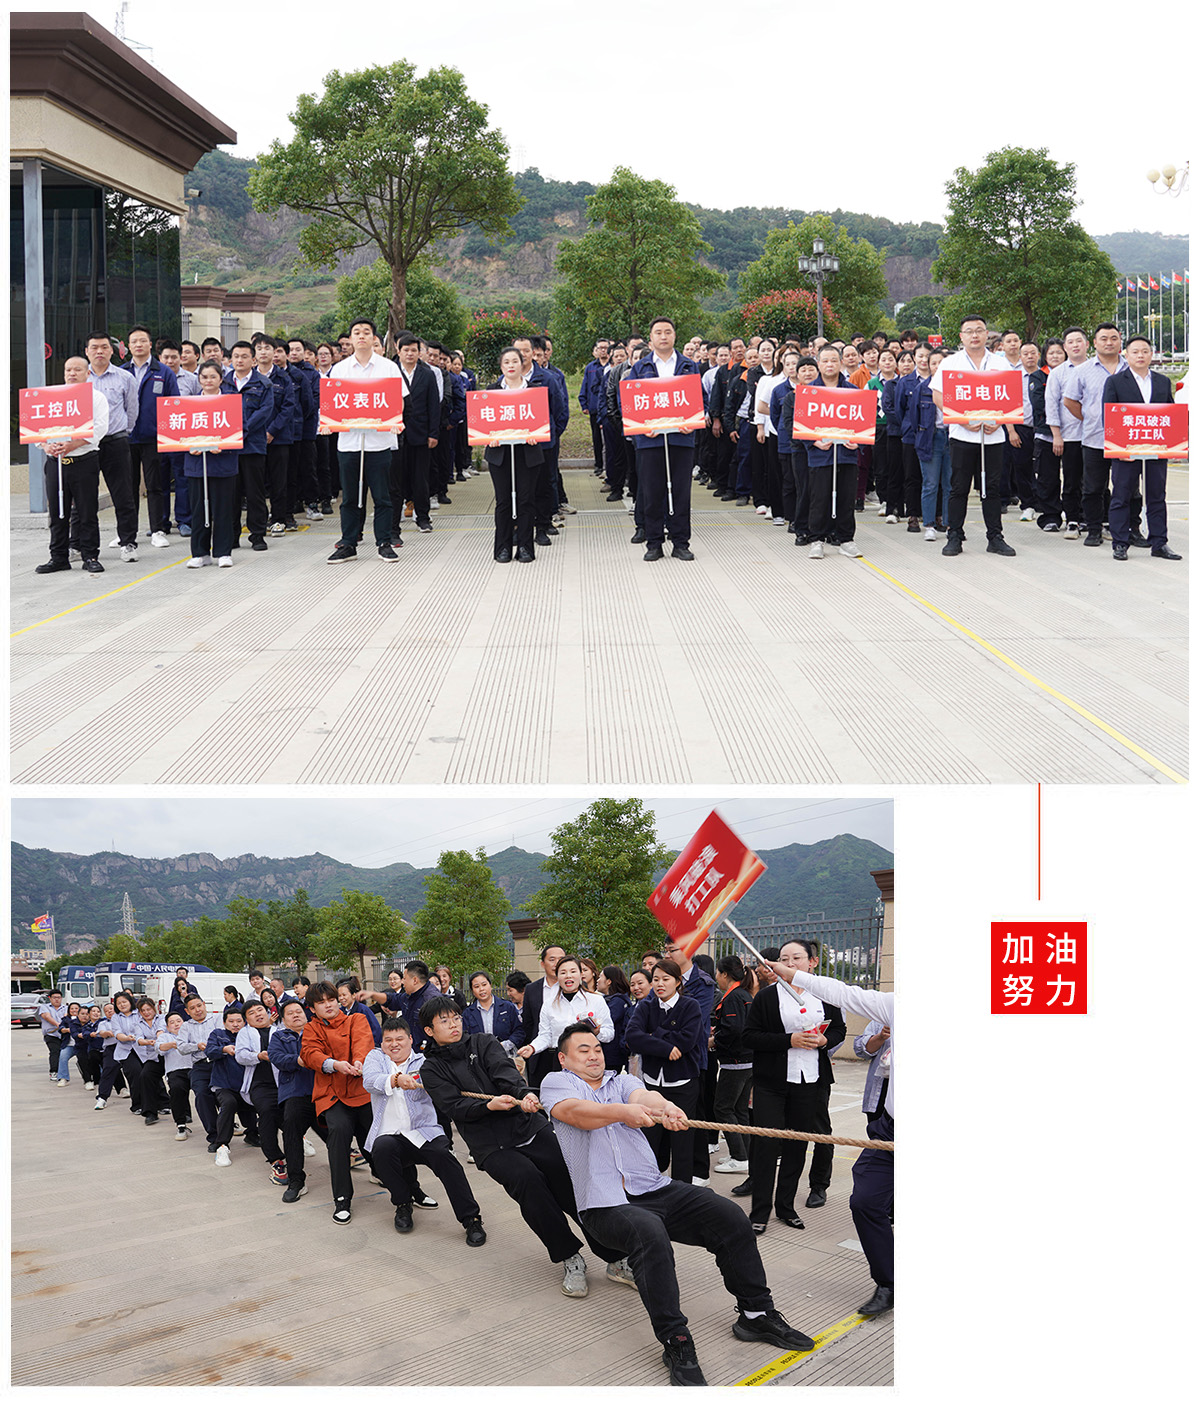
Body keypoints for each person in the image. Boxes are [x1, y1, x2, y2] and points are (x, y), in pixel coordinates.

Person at [542, 1024, 816, 1387]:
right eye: (583, 1050)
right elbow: (577, 1113)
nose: (594, 1055)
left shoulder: (621, 1082)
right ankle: (675, 1340)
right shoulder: (556, 1083)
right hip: (603, 1203)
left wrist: (668, 1107)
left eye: (597, 1048)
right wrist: (622, 1113)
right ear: (564, 1059)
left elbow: (646, 1097)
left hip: (653, 1188)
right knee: (649, 1233)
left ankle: (756, 1314)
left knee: (729, 1216)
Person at [419, 996, 624, 1298]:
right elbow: (453, 1106)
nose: (454, 1025)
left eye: (456, 1018)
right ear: (429, 1030)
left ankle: (614, 1257)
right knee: (529, 1184)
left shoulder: (483, 1043)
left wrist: (522, 1094)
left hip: (528, 1127)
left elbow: (506, 1075)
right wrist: (488, 1106)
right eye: (445, 1021)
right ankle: (569, 1257)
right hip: (491, 1146)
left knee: (571, 1183)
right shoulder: (431, 1069)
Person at [764, 959, 894, 1319]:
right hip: (890, 1129)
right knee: (865, 1202)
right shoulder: (897, 1006)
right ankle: (888, 1282)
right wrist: (793, 975)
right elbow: (844, 994)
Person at [742, 941, 845, 1234]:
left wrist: (824, 1040)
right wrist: (789, 1040)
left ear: (812, 962)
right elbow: (749, 1037)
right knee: (766, 1145)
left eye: (797, 957)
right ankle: (760, 1212)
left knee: (797, 1144)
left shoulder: (823, 994)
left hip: (810, 1081)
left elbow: (839, 1029)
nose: (790, 963)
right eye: (784, 958)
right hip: (771, 1083)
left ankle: (785, 1206)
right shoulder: (767, 996)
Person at [363, 1016, 486, 1244]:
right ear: (382, 1043)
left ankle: (471, 1218)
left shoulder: (424, 1062)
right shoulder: (375, 1058)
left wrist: (436, 1087)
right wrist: (396, 1079)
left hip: (423, 1132)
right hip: (390, 1135)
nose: (394, 1044)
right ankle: (403, 1204)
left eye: (400, 1038)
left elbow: (446, 1087)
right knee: (381, 1148)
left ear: (411, 1039)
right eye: (388, 1040)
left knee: (446, 1159)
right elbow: (370, 1081)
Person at [930, 314, 1019, 557]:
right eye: (969, 331)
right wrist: (962, 419)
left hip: (993, 436)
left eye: (979, 330)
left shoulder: (1001, 364)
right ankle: (955, 536)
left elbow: (1012, 398)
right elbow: (937, 395)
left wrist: (999, 421)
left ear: (987, 334)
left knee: (991, 488)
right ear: (962, 337)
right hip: (962, 436)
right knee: (958, 488)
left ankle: (995, 537)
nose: (975, 335)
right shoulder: (951, 363)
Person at [323, 318, 403, 563]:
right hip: (349, 443)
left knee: (382, 497)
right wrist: (326, 423)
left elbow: (398, 401)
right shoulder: (340, 369)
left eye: (366, 332)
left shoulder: (388, 368)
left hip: (379, 443)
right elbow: (330, 404)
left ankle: (384, 543)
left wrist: (396, 420)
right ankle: (348, 543)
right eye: (356, 332)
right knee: (349, 497)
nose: (361, 336)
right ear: (350, 339)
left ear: (374, 338)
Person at [299, 980, 375, 1223]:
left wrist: (360, 1061)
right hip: (331, 1093)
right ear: (312, 1008)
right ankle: (342, 1198)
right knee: (339, 1134)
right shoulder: (311, 1029)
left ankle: (405, 1189)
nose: (328, 1005)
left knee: (377, 1139)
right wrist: (335, 1065)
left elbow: (364, 1043)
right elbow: (310, 1054)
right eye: (321, 1003)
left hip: (360, 1089)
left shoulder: (356, 1019)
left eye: (331, 1000)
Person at [624, 318, 700, 561]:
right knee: (652, 492)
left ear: (675, 336)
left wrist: (694, 422)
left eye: (668, 332)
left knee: (681, 492)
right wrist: (641, 428)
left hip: (681, 439)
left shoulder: (689, 366)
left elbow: (701, 400)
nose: (663, 336)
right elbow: (628, 402)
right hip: (650, 441)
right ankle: (654, 543)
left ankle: (681, 543)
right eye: (658, 332)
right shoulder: (640, 367)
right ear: (651, 338)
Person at [623, 960, 705, 1182]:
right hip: (652, 1083)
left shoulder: (690, 1006)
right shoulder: (646, 1007)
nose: (660, 984)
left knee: (682, 1142)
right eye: (656, 979)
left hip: (682, 1083)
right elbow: (632, 1037)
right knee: (650, 1138)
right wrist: (666, 1047)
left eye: (666, 979)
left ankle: (682, 1189)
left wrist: (654, 1035)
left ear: (677, 982)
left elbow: (687, 1040)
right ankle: (650, 1184)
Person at [1101, 335, 1180, 561]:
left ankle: (1159, 543)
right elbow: (1108, 417)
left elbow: (1170, 414)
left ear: (1151, 355)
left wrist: (1173, 445)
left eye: (1145, 351)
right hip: (1125, 450)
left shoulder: (1162, 381)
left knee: (1157, 495)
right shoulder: (1115, 381)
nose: (1140, 356)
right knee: (1122, 495)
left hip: (1156, 447)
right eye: (1135, 352)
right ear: (1126, 355)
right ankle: (1120, 543)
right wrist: (1119, 449)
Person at [35, 358, 109, 577]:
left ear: (88, 373)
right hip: (55, 463)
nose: (72, 373)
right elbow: (38, 428)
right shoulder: (52, 398)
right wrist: (46, 446)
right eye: (68, 369)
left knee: (87, 511)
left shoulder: (96, 398)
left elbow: (100, 428)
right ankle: (58, 557)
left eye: (77, 369)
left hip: (83, 461)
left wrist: (72, 445)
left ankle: (90, 556)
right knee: (57, 512)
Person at [483, 346, 545, 563]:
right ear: (501, 367)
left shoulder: (535, 390)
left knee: (526, 500)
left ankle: (526, 547)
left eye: (515, 361)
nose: (511, 366)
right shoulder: (491, 391)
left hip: (528, 452)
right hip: (499, 453)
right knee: (503, 501)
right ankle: (503, 547)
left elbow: (543, 420)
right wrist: (488, 437)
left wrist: (537, 434)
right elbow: (483, 423)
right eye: (506, 362)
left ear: (523, 364)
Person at [121, 324, 179, 547]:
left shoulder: (163, 372)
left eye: (142, 340)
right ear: (128, 346)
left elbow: (174, 404)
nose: (138, 345)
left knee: (155, 485)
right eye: (134, 341)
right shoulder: (121, 372)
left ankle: (158, 529)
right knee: (128, 487)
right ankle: (127, 533)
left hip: (153, 437)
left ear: (150, 344)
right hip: (126, 438)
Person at [85, 331, 140, 562]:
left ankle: (128, 543)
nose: (99, 351)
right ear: (86, 351)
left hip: (116, 442)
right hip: (85, 445)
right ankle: (79, 545)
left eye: (104, 347)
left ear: (112, 351)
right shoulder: (80, 379)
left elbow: (132, 410)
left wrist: (123, 432)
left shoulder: (125, 377)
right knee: (83, 497)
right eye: (94, 347)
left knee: (123, 495)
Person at [184, 358, 241, 567]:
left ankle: (223, 552)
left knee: (223, 509)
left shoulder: (230, 402)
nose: (208, 381)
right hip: (197, 464)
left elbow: (241, 429)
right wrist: (188, 446)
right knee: (198, 509)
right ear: (199, 379)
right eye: (204, 377)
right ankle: (200, 553)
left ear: (221, 379)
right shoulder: (189, 404)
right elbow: (178, 432)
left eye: (213, 377)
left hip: (222, 464)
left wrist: (224, 446)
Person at [267, 998, 325, 1202]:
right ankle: (296, 1181)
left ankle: (370, 1169)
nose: (295, 1015)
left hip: (322, 1092)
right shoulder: (279, 1037)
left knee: (338, 1132)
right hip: (295, 1092)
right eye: (290, 1013)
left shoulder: (317, 1032)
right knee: (291, 1130)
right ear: (283, 1020)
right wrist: (298, 1060)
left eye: (298, 1011)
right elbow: (276, 1057)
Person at [517, 956, 614, 1067]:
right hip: (560, 1060)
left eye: (573, 971)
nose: (568, 976)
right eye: (563, 973)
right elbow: (545, 1035)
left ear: (580, 975)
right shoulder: (549, 1004)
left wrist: (597, 1032)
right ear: (557, 977)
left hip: (589, 1059)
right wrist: (532, 1047)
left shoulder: (596, 1000)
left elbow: (609, 1033)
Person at [1042, 328, 1089, 536]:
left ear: (1087, 344)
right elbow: (1051, 405)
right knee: (1071, 480)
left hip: (1094, 436)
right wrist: (1056, 435)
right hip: (1069, 436)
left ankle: (1092, 519)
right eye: (1070, 342)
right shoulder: (1058, 373)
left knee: (1095, 482)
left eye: (1079, 341)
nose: (1075, 345)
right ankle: (1072, 519)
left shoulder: (1096, 369)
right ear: (1065, 347)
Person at [391, 330, 439, 537]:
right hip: (396, 434)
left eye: (413, 350)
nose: (410, 354)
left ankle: (423, 518)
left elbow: (434, 406)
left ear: (419, 353)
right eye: (406, 350)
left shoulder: (427, 374)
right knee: (396, 479)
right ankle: (394, 521)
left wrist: (433, 433)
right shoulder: (391, 372)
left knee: (421, 479)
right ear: (399, 351)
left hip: (421, 434)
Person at [227, 340, 274, 552]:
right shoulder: (223, 382)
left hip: (253, 446)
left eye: (244, 356)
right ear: (231, 359)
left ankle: (257, 535)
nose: (240, 360)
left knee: (255, 493)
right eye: (236, 356)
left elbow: (265, 411)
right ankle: (231, 535)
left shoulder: (264, 384)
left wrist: (241, 429)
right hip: (229, 448)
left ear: (253, 360)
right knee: (231, 494)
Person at [235, 1000, 287, 1185]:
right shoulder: (245, 1033)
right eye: (251, 1013)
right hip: (259, 1084)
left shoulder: (280, 1031)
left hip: (283, 1084)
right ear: (246, 1019)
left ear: (268, 1012)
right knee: (266, 1112)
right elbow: (240, 1056)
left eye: (260, 1010)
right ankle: (276, 1160)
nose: (258, 1014)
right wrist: (258, 1055)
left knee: (291, 1118)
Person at [710, 955, 754, 1174]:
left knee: (723, 1108)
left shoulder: (734, 997)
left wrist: (714, 1040)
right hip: (747, 1061)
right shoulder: (744, 994)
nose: (717, 977)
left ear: (725, 974)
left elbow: (733, 1029)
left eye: (718, 973)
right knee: (739, 1110)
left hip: (735, 1063)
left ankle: (739, 1156)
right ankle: (745, 1154)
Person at [206, 1005, 258, 1166]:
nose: (235, 1024)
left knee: (258, 1105)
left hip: (246, 1084)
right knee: (229, 1103)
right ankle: (222, 1143)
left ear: (244, 1022)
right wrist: (223, 1049)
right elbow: (209, 1051)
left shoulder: (250, 1035)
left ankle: (252, 1134)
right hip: (224, 1084)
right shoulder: (218, 1034)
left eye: (239, 1021)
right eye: (231, 1021)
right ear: (224, 1022)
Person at [519, 944, 567, 1089]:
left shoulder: (574, 987)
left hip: (566, 1053)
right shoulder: (532, 989)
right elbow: (528, 1023)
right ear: (542, 963)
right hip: (538, 1055)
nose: (557, 963)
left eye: (561, 959)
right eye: (552, 959)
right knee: (539, 1093)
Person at [177, 993, 221, 1149]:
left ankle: (249, 1131)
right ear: (187, 1011)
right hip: (200, 1066)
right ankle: (215, 1137)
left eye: (199, 1006)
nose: (197, 1010)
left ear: (204, 1004)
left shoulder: (217, 1019)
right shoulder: (186, 1026)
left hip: (219, 1064)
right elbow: (181, 1047)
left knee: (228, 1096)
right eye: (192, 1008)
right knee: (202, 1095)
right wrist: (197, 1046)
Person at [128, 997, 170, 1125]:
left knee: (176, 1080)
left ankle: (181, 1112)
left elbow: (161, 1030)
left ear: (154, 1008)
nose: (146, 1012)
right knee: (145, 1076)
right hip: (153, 1057)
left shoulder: (162, 1018)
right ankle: (150, 1113)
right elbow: (139, 1039)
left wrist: (159, 1040)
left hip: (169, 1055)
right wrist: (148, 1042)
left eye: (148, 1009)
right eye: (143, 1010)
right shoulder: (138, 1024)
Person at [156, 1011, 195, 1141]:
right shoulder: (165, 1037)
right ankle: (181, 1125)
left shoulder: (191, 1033)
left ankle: (224, 1122)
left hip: (194, 1069)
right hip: (175, 1071)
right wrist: (175, 1044)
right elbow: (159, 1048)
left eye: (179, 1021)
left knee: (209, 1091)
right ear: (167, 1027)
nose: (176, 1024)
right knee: (176, 1090)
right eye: (172, 1023)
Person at [461, 972, 522, 1053]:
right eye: (476, 986)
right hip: (480, 1057)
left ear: (490, 985)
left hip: (506, 1054)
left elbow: (519, 1031)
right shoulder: (468, 1014)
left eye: (484, 984)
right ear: (472, 991)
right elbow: (465, 1038)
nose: (481, 989)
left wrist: (504, 1045)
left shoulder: (508, 1007)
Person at [597, 966, 632, 1072]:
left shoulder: (617, 1002)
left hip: (611, 1056)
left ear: (609, 981)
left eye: (600, 977)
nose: (597, 980)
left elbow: (603, 1022)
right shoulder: (609, 1000)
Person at [39, 988, 69, 1081]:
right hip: (51, 1035)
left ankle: (62, 1072)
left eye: (58, 997)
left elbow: (67, 1017)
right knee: (55, 1051)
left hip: (64, 1035)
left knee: (63, 1054)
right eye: (54, 997)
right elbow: (47, 1016)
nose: (57, 999)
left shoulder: (66, 1008)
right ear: (50, 998)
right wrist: (58, 1024)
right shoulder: (45, 1007)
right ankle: (54, 1072)